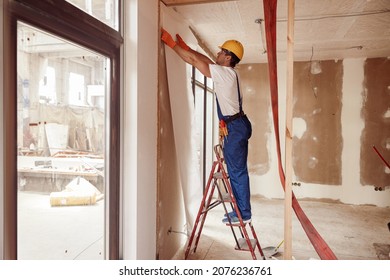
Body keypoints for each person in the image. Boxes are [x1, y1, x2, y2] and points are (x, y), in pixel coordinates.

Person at [161, 29, 252, 225]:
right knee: (238, 170)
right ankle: (241, 209)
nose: (217, 54)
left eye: (220, 52)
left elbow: (195, 62)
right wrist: (187, 49)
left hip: (235, 128)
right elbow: (206, 61)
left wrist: (172, 45)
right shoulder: (229, 73)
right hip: (238, 125)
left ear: (227, 58)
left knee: (237, 172)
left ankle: (243, 213)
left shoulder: (224, 74)